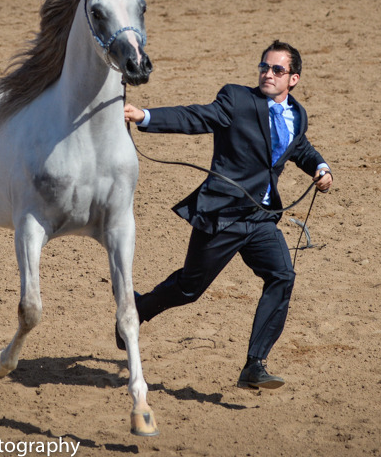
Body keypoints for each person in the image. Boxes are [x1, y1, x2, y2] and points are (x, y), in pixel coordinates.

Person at [121, 40, 333, 389]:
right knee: (190, 289)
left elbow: (299, 146)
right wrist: (145, 116)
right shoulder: (237, 99)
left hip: (261, 218)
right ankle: (138, 310)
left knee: (282, 276)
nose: (267, 73)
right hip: (224, 215)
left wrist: (319, 167)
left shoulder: (297, 113)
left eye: (277, 69)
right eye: (264, 66)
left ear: (293, 79)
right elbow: (196, 117)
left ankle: (255, 363)